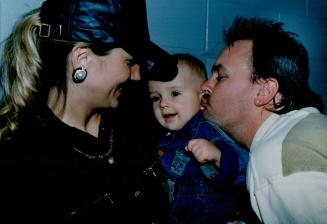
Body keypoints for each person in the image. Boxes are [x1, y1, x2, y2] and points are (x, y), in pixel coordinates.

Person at [0, 0, 175, 222]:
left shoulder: (138, 125)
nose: (137, 75)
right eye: (130, 62)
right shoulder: (21, 162)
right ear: (82, 59)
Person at [201, 16, 327, 224]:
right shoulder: (303, 129)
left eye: (220, 77)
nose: (205, 85)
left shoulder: (273, 159)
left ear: (265, 90)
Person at [148, 53, 250, 224]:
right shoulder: (166, 138)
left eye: (174, 93)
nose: (163, 104)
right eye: (156, 98)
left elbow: (244, 166)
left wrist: (218, 155)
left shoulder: (208, 129)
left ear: (202, 97)